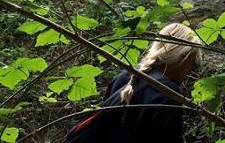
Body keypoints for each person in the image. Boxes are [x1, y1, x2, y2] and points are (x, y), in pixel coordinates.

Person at [63, 23, 202, 143]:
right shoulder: (168, 94)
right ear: (183, 57)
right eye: (194, 62)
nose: (191, 70)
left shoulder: (126, 77)